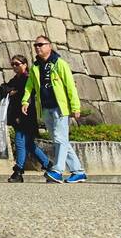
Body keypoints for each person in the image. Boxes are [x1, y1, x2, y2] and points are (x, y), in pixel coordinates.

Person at [22, 35, 86, 184]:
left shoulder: (60, 63)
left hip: (60, 108)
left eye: (41, 45)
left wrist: (75, 107)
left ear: (49, 46)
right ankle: (78, 171)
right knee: (60, 139)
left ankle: (57, 170)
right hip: (46, 108)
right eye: (35, 45)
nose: (38, 47)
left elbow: (70, 86)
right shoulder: (35, 67)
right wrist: (25, 101)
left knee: (59, 138)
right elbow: (29, 86)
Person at [0, 54, 50, 182]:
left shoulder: (28, 78)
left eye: (17, 64)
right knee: (29, 145)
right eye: (12, 64)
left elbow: (28, 94)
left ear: (25, 64)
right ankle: (48, 165)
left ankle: (18, 171)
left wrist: (14, 92)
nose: (14, 66)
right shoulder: (15, 79)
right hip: (17, 115)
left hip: (26, 114)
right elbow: (6, 90)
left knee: (20, 142)